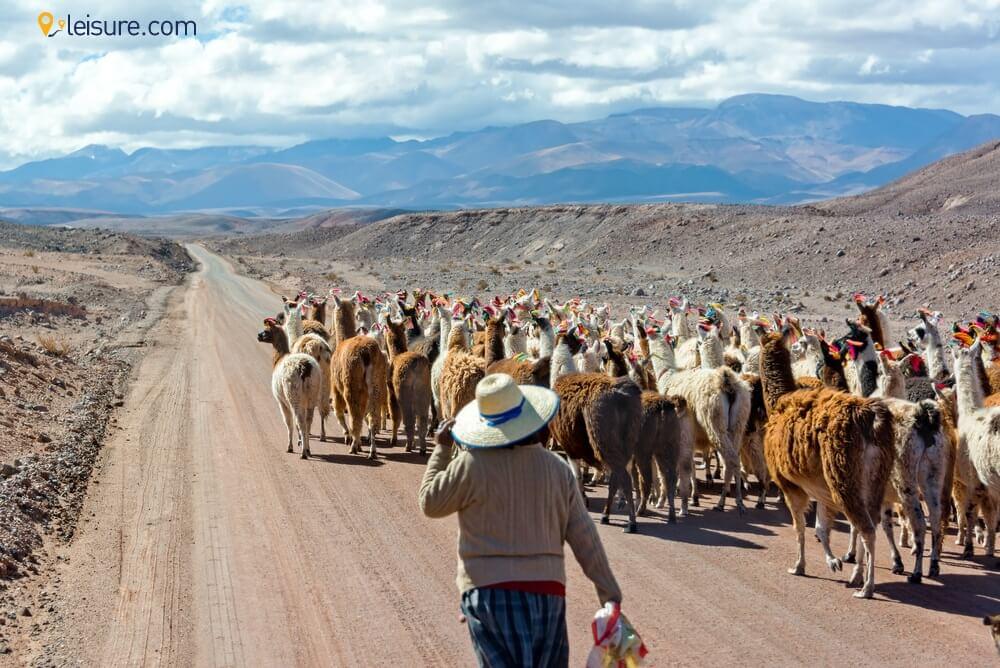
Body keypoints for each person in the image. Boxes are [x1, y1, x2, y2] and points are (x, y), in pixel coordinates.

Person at [419, 373, 622, 667]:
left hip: (487, 596)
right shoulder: (557, 470)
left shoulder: (471, 466)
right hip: (547, 595)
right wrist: (609, 594)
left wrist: (442, 448)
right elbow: (584, 538)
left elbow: (430, 502)